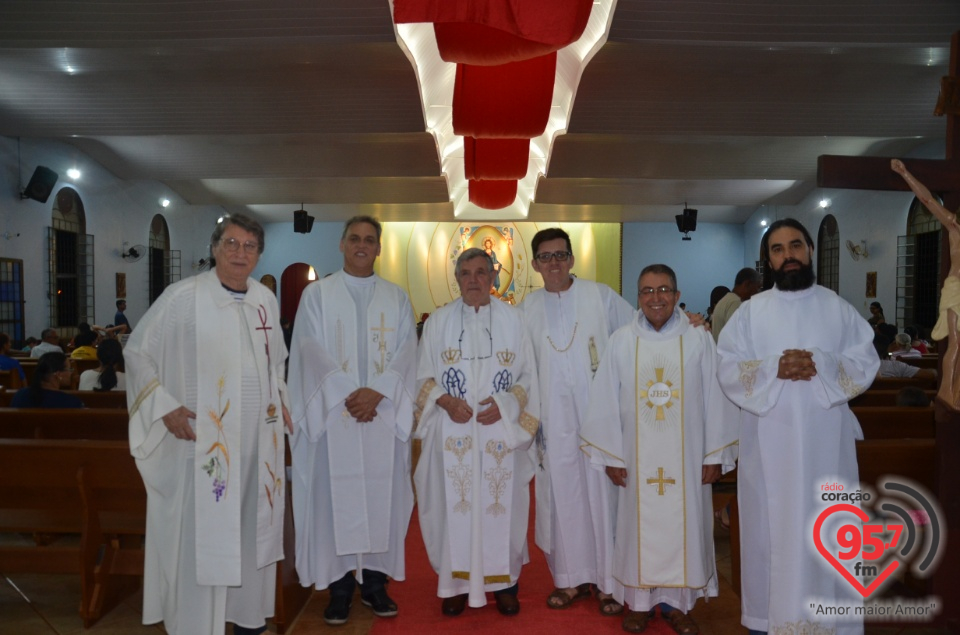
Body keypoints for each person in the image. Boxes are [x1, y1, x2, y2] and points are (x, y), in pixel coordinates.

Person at [125, 213, 291, 635]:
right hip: (202, 445)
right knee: (204, 536)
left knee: (250, 529)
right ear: (214, 248)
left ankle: (247, 617)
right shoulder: (182, 298)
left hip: (257, 448)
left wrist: (283, 402)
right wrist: (165, 407)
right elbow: (137, 352)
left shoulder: (264, 300)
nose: (240, 253)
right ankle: (199, 625)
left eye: (249, 246)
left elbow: (276, 366)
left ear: (259, 254)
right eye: (231, 244)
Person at [717, 218, 879, 635]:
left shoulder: (838, 308)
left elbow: (865, 361)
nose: (788, 255)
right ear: (767, 260)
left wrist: (821, 363)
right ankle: (769, 623)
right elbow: (728, 367)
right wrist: (775, 367)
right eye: (777, 249)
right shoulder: (751, 313)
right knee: (770, 535)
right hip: (768, 444)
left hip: (829, 444)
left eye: (795, 246)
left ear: (809, 250)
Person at [580, 264, 738, 635]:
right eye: (648, 291)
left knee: (684, 531)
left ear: (677, 295)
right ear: (638, 297)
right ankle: (638, 604)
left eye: (664, 289)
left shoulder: (699, 339)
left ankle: (677, 606)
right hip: (635, 461)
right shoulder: (621, 340)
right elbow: (604, 400)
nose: (656, 298)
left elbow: (716, 398)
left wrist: (714, 454)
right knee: (636, 531)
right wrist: (612, 457)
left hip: (688, 460)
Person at [288, 215, 417, 626]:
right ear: (342, 245)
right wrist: (348, 392)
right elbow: (308, 347)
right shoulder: (317, 295)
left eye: (370, 240)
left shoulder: (396, 298)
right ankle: (341, 588)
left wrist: (377, 392)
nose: (362, 245)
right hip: (335, 417)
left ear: (379, 248)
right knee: (334, 500)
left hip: (381, 415)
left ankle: (375, 584)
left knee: (382, 498)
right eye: (355, 239)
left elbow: (406, 352)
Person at [415, 247, 539, 617]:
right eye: (466, 273)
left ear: (492, 277)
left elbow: (529, 377)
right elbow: (422, 377)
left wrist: (505, 405)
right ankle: (455, 583)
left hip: (499, 432)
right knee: (454, 504)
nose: (473, 280)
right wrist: (445, 401)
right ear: (456, 278)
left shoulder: (515, 321)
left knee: (503, 505)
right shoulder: (437, 322)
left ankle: (504, 583)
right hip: (452, 433)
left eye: (481, 272)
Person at [519, 227, 634, 615]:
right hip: (552, 419)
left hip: (599, 415)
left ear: (571, 259)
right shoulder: (526, 308)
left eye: (560, 255)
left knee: (604, 497)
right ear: (535, 264)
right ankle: (570, 579)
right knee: (562, 494)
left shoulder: (600, 296)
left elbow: (638, 334)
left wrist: (687, 326)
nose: (554, 263)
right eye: (546, 257)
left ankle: (608, 583)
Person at [892, 159, 960, 407]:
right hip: (956, 288)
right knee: (955, 341)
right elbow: (928, 200)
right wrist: (905, 173)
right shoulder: (954, 225)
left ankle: (957, 390)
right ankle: (946, 392)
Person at [11, 352, 85, 408]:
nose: (70, 373)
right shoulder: (71, 402)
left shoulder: (19, 396)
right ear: (58, 374)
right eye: (69, 369)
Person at [711, 267, 762, 343]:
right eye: (757, 288)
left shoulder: (726, 299)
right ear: (747, 284)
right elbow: (736, 336)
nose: (758, 292)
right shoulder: (736, 303)